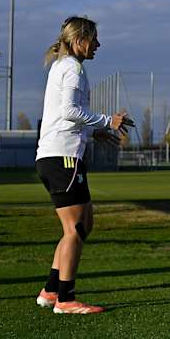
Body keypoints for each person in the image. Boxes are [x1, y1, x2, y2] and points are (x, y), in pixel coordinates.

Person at [34, 17, 132, 314]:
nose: (98, 45)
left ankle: (51, 290)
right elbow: (69, 111)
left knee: (83, 224)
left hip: (61, 156)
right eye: (94, 39)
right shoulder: (73, 69)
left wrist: (96, 131)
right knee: (74, 228)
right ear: (79, 40)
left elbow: (64, 116)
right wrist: (107, 120)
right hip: (61, 157)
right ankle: (66, 299)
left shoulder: (63, 67)